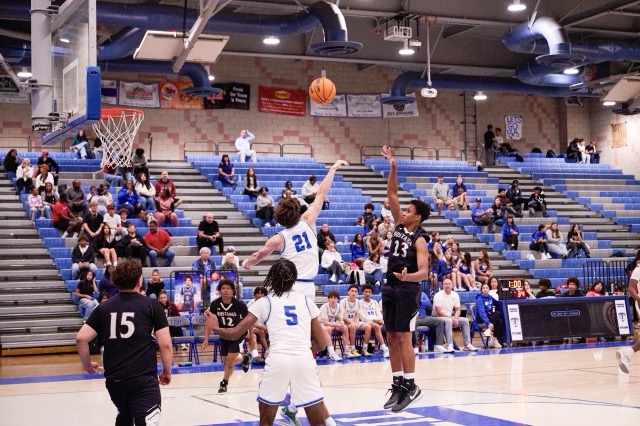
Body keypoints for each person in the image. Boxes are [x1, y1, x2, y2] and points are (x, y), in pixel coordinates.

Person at [241, 160, 347, 426]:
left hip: (290, 290)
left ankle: (291, 405)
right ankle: (301, 407)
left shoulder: (279, 238)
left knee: (293, 349)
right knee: (303, 351)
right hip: (302, 291)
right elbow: (321, 192)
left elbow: (258, 254)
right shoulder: (309, 221)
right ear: (298, 212)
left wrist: (247, 263)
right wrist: (332, 168)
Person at [204, 259, 327, 425]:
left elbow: (234, 334)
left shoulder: (264, 302)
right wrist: (302, 349)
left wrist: (216, 328)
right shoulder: (307, 302)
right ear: (294, 278)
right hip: (304, 360)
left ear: (271, 278)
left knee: (266, 421)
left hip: (278, 360)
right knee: (319, 423)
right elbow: (322, 343)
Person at [75, 261, 172, 425]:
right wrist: (167, 371)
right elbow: (165, 344)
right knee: (147, 421)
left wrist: (87, 364)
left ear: (115, 281)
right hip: (143, 378)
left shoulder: (104, 307)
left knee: (125, 416)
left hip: (115, 381)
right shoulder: (151, 305)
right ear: (139, 280)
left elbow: (81, 338)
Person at [380, 145, 430, 413]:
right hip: (389, 285)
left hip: (407, 289)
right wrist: (393, 167)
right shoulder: (399, 226)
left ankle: (411, 386)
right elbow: (391, 192)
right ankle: (398, 384)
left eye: (408, 211)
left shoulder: (420, 239)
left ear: (417, 217)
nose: (402, 212)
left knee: (403, 337)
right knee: (390, 337)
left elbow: (425, 272)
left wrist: (407, 275)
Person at [202, 279, 251, 393]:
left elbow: (250, 320)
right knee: (226, 362)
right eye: (223, 288)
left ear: (233, 291)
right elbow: (209, 322)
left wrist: (252, 338)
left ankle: (224, 382)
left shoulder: (239, 305)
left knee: (229, 362)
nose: (225, 291)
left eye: (228, 289)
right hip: (224, 335)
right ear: (219, 291)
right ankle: (244, 358)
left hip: (237, 334)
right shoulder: (215, 304)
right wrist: (206, 339)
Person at [432, 279, 477, 352]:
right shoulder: (437, 295)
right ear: (442, 285)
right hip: (437, 318)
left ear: (452, 285)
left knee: (465, 320)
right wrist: (451, 318)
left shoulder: (455, 295)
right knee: (449, 320)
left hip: (449, 318)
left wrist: (455, 318)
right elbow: (439, 312)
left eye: (449, 284)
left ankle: (467, 344)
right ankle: (450, 344)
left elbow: (458, 310)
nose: (447, 286)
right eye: (446, 284)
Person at [616, 261, 640, 373]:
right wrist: (639, 299)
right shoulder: (639, 268)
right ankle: (627, 353)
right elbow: (630, 287)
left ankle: (627, 353)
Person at [360, 283, 389, 356]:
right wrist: (373, 320)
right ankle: (384, 348)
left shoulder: (375, 302)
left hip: (377, 322)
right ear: (362, 292)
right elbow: (362, 317)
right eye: (366, 292)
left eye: (369, 292)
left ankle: (391, 347)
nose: (368, 294)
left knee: (389, 326)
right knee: (375, 326)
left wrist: (380, 320)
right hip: (366, 322)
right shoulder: (359, 302)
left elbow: (379, 314)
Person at [319, 290, 347, 361]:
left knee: (345, 327)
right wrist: (336, 324)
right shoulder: (324, 307)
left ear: (337, 299)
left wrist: (341, 323)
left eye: (335, 298)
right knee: (328, 328)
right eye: (331, 298)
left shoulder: (339, 306)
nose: (333, 300)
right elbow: (325, 322)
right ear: (329, 299)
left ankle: (346, 350)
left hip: (332, 324)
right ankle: (330, 352)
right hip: (321, 324)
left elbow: (341, 319)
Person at [475, 283, 503, 349]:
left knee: (500, 320)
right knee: (498, 314)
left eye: (486, 288)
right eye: (483, 288)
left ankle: (494, 339)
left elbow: (497, 303)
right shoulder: (479, 299)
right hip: (480, 318)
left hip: (489, 316)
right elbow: (482, 313)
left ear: (489, 289)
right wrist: (488, 323)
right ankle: (489, 329)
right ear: (481, 290)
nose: (485, 289)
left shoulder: (490, 297)